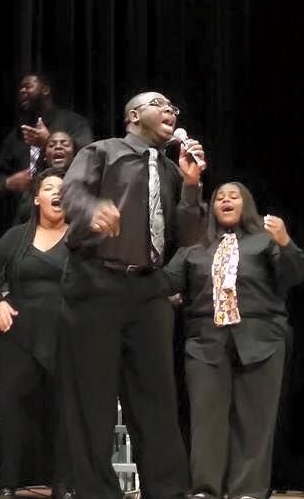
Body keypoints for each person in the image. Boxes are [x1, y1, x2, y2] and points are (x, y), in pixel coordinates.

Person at [60, 91, 206, 498]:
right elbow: (70, 195)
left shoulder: (175, 170)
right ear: (133, 115)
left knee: (157, 403)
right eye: (160, 104)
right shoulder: (102, 151)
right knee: (93, 403)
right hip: (96, 284)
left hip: (149, 291)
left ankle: (167, 491)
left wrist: (192, 186)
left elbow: (191, 236)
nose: (171, 111)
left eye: (174, 108)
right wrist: (92, 210)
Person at [163, 182, 304, 499]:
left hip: (261, 339)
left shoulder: (264, 241)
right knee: (206, 419)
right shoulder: (195, 246)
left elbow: (294, 275)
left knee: (255, 420)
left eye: (234, 196)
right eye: (219, 197)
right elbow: (165, 282)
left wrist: (285, 243)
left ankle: (248, 491)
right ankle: (206, 489)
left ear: (248, 204)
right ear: (211, 208)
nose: (226, 200)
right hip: (205, 342)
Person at [0, 170, 71, 498]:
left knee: (63, 410)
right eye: (49, 187)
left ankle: (63, 484)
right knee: (11, 408)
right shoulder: (17, 235)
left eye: (62, 189)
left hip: (63, 335)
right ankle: (7, 483)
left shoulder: (78, 239)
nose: (56, 193)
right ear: (37, 198)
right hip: (17, 335)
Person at [0, 74, 92, 240]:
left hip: (70, 221)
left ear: (45, 90)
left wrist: (49, 142)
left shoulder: (73, 123)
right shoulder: (17, 135)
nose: (22, 91)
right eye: (20, 88)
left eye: (28, 86)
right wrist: (8, 183)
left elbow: (89, 159)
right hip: (24, 222)